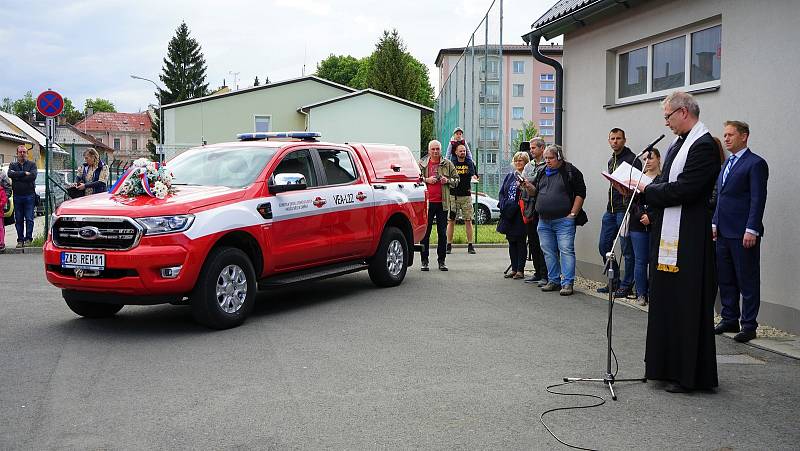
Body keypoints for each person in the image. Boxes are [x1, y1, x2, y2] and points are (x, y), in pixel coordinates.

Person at [628, 91, 720, 393]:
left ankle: (687, 374)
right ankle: (664, 367)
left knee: (685, 303)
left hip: (689, 237)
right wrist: (643, 187)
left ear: (683, 112)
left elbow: (686, 189)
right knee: (666, 299)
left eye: (668, 116)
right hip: (669, 233)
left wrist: (647, 191)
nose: (666, 123)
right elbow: (666, 182)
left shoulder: (703, 145)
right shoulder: (678, 144)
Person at [713, 121, 769, 343]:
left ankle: (748, 324)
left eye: (730, 135)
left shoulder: (755, 164)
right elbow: (720, 197)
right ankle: (729, 318)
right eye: (724, 135)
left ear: (744, 136)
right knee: (725, 278)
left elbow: (758, 198)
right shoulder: (726, 164)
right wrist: (714, 223)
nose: (726, 139)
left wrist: (752, 228)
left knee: (747, 279)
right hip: (723, 232)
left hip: (743, 232)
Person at [527, 145, 586, 296]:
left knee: (566, 250)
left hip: (563, 220)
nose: (547, 161)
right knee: (548, 251)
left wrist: (572, 214)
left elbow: (580, 193)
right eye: (546, 158)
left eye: (551, 158)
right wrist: (527, 186)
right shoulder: (541, 172)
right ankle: (553, 280)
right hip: (544, 220)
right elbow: (535, 192)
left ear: (559, 157)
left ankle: (567, 283)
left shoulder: (571, 171)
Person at [598, 128, 641, 298]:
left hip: (625, 210)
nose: (615, 141)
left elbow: (638, 187)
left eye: (618, 138)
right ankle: (613, 281)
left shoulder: (633, 160)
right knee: (604, 246)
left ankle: (626, 284)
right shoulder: (611, 160)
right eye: (612, 138)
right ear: (608, 140)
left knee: (627, 250)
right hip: (611, 210)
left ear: (624, 140)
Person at [627, 149, 661, 306]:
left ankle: (654, 293)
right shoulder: (637, 178)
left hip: (656, 225)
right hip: (638, 225)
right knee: (640, 260)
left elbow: (664, 201)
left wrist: (651, 217)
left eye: (651, 158)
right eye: (645, 158)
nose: (647, 161)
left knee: (655, 261)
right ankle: (641, 293)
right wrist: (641, 215)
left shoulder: (663, 179)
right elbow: (631, 201)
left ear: (659, 159)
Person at [418, 140, 459, 271]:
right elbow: (416, 179)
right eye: (433, 149)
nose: (435, 151)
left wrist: (447, 180)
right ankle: (424, 261)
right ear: (429, 150)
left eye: (437, 149)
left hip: (443, 204)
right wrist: (427, 180)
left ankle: (442, 261)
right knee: (426, 233)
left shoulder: (447, 164)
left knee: (442, 233)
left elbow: (457, 180)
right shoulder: (422, 164)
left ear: (440, 150)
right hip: (427, 204)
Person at [497, 152, 530, 279]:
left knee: (520, 242)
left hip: (520, 214)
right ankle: (514, 268)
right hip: (508, 213)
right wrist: (503, 205)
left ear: (526, 162)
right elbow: (502, 192)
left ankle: (520, 270)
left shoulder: (526, 177)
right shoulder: (510, 176)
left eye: (521, 161)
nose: (518, 163)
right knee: (511, 242)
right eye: (516, 160)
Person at [522, 137, 547, 284]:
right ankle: (537, 272)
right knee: (532, 241)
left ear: (542, 148)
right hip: (529, 205)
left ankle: (545, 274)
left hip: (542, 206)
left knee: (543, 242)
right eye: (530, 148)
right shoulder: (529, 165)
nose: (531, 151)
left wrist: (530, 183)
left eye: (533, 148)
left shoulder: (547, 164)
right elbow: (525, 180)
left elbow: (540, 184)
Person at [446, 144, 478, 255]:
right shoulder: (452, 164)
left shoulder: (469, 163)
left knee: (468, 220)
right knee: (451, 221)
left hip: (466, 196)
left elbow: (474, 175)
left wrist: (472, 176)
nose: (462, 153)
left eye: (464, 151)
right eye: (460, 151)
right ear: (455, 152)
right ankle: (448, 244)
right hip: (453, 196)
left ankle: (470, 245)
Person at [7, 145, 37, 248]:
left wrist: (17, 176)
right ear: (17, 153)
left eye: (24, 152)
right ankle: (20, 240)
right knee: (18, 219)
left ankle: (28, 239)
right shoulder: (12, 165)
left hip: (29, 195)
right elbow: (10, 174)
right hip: (17, 196)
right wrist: (24, 173)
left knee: (29, 219)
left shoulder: (32, 164)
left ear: (27, 154)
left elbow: (33, 176)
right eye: (20, 152)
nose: (22, 154)